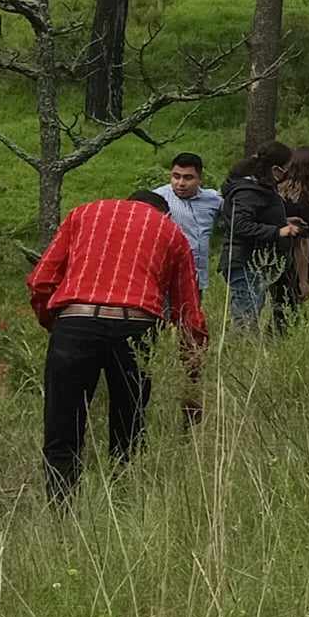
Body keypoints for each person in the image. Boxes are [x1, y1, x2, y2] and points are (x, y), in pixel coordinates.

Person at [26, 190, 207, 502]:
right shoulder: (170, 231)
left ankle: (61, 510)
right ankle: (123, 502)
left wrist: (55, 325)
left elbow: (41, 280)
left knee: (62, 425)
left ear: (125, 202)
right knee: (129, 424)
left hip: (77, 319)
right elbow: (189, 313)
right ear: (163, 214)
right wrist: (192, 377)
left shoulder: (84, 213)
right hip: (135, 325)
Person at [216, 142, 300, 326]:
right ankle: (238, 351)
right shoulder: (248, 191)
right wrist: (278, 231)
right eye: (287, 169)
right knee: (245, 319)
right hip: (245, 262)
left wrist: (284, 222)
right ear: (276, 169)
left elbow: (256, 217)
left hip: (255, 263)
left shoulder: (260, 188)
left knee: (251, 313)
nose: (288, 174)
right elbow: (240, 225)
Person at [271, 144, 309, 330]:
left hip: (276, 262)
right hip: (293, 266)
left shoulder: (278, 193)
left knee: (282, 311)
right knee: (288, 315)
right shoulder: (302, 202)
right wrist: (303, 280)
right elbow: (301, 242)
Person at [153, 152, 223, 290]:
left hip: (198, 276)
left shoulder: (213, 199)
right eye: (176, 176)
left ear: (200, 179)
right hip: (167, 276)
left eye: (188, 178)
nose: (181, 183)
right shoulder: (157, 198)